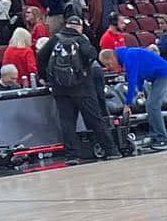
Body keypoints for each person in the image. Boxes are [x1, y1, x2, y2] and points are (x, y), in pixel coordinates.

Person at [40, 14, 119, 161]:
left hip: (60, 88)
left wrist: (44, 77)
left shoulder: (55, 39)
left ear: (67, 25)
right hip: (82, 87)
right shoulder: (81, 39)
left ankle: (72, 155)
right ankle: (111, 150)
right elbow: (92, 54)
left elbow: (41, 55)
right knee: (95, 119)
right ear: (80, 27)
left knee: (67, 122)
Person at [101, 43, 167, 150]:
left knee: (152, 105)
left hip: (164, 74)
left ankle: (162, 139)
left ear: (111, 58)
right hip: (156, 76)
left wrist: (127, 104)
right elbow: (139, 73)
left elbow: (132, 81)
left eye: (108, 64)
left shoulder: (129, 57)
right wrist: (140, 89)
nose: (108, 68)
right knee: (150, 105)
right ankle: (154, 136)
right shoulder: (127, 55)